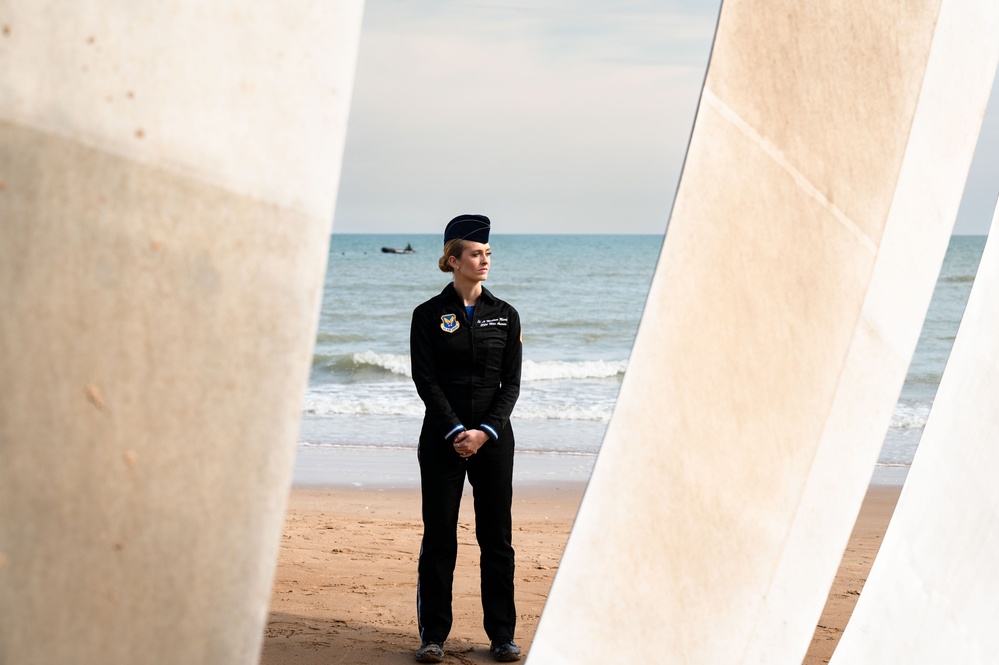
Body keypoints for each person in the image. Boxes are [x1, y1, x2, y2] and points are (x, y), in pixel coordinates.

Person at [410, 214, 523, 663]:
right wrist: (457, 430)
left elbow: (511, 385)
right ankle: (433, 636)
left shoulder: (505, 315)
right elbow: (426, 379)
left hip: (494, 441)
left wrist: (484, 432)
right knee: (440, 538)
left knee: (496, 538)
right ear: (452, 259)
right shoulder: (427, 315)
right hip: (442, 439)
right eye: (475, 254)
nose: (484, 261)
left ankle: (501, 636)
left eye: (488, 254)